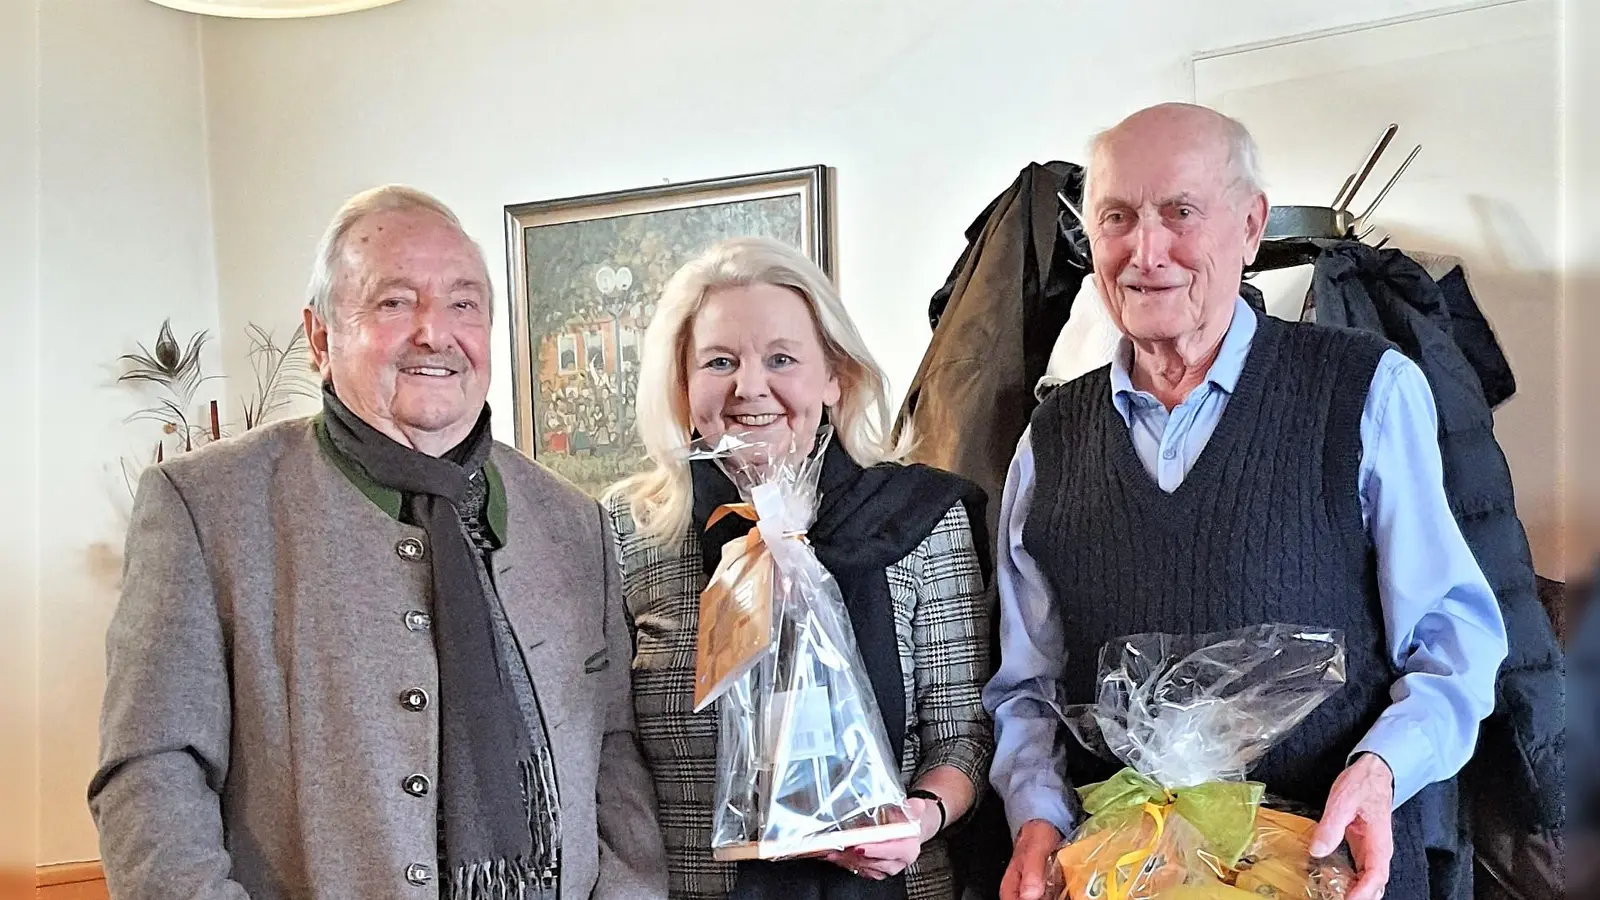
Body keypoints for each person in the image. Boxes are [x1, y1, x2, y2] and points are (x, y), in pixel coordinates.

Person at [982, 104, 1509, 900]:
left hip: (1331, 868)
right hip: (1123, 874)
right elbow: (1029, 689)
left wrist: (1380, 769)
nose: (1146, 251)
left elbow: (1451, 642)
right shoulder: (1048, 438)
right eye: (1117, 218)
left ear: (1251, 227)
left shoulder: (1366, 391)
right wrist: (1036, 818)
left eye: (1180, 213)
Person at [89, 185, 668, 900]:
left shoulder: (574, 522)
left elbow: (613, 755)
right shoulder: (207, 507)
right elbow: (151, 772)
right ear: (320, 337)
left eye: (463, 304)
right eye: (394, 302)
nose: (435, 332)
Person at [606, 236, 994, 900]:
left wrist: (921, 815)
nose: (749, 387)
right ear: (681, 383)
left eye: (781, 358)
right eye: (719, 361)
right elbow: (607, 752)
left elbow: (965, 734)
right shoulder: (627, 531)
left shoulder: (920, 517)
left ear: (835, 375)